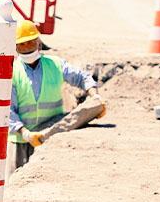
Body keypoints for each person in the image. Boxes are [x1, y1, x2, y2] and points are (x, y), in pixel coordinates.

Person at [8, 20, 106, 170]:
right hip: (20, 141)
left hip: (51, 136)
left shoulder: (55, 65)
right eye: (22, 44)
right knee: (17, 184)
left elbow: (82, 77)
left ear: (38, 42)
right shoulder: (12, 72)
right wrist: (25, 133)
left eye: (30, 42)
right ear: (15, 47)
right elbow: (8, 110)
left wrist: (95, 97)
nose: (26, 47)